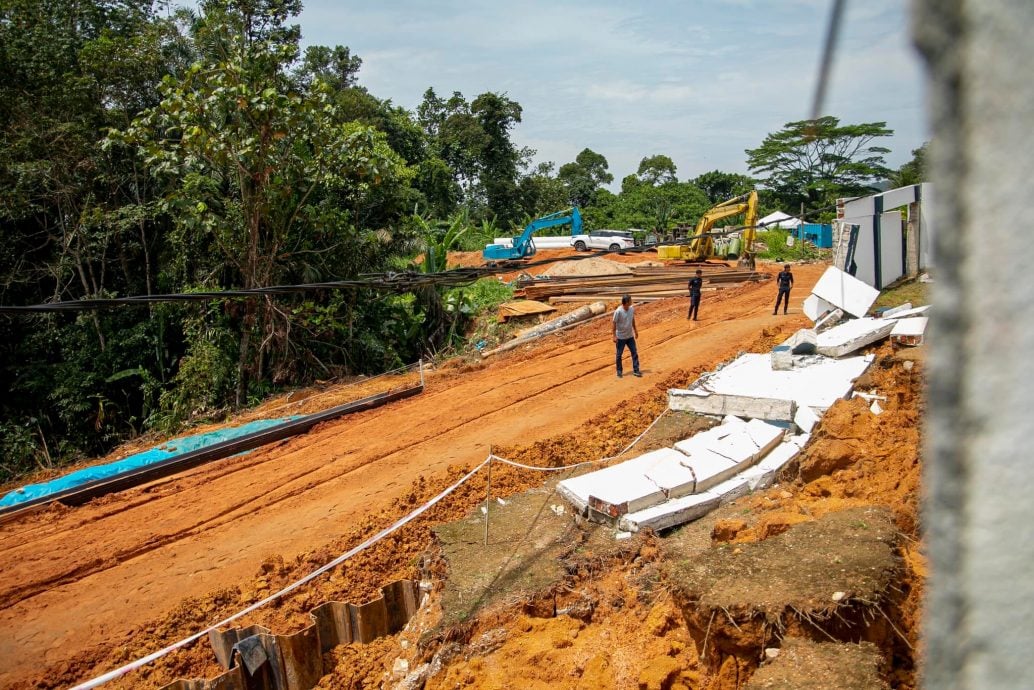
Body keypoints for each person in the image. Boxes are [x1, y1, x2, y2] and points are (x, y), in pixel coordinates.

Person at [612, 294, 641, 378]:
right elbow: (614, 323)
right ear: (626, 302)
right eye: (630, 300)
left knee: (634, 352)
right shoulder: (618, 311)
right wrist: (614, 336)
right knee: (619, 355)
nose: (631, 302)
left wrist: (635, 330)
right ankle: (619, 371)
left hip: (630, 336)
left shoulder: (631, 309)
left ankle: (636, 370)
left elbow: (632, 319)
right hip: (620, 337)